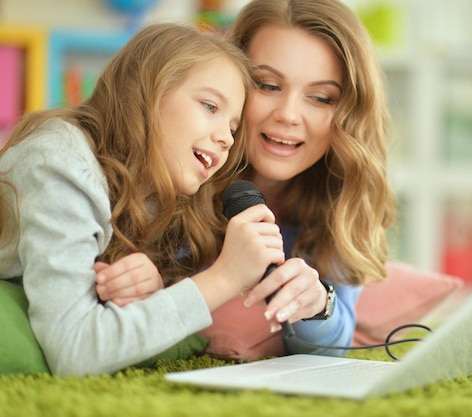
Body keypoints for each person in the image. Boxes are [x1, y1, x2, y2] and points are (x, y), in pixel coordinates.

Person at [98, 0, 395, 359]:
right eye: (267, 85)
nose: (288, 115)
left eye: (320, 97)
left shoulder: (343, 200)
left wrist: (318, 304)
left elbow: (336, 339)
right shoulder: (171, 173)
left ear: (349, 113)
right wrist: (143, 281)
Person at [0, 22, 286, 376]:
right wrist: (224, 279)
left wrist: (145, 288)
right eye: (210, 106)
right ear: (145, 92)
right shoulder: (59, 162)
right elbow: (75, 350)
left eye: (232, 127)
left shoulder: (148, 190)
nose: (227, 140)